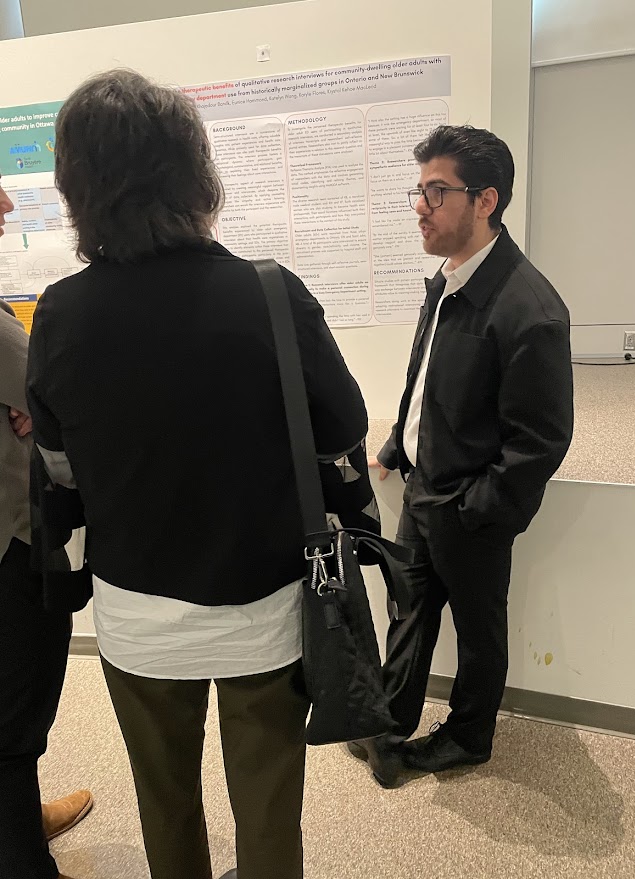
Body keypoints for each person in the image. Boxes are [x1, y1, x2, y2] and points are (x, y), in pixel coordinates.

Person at [26, 70, 368, 879]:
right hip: (265, 605)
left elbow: (60, 466)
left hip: (136, 611)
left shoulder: (61, 312)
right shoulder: (271, 294)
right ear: (195, 170)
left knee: (165, 801)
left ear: (76, 186)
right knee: (268, 810)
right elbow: (343, 428)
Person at [349, 125, 574, 787]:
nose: (420, 207)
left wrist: (479, 507)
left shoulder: (529, 309)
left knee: (478, 631)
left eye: (436, 192)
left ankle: (469, 737)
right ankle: (389, 723)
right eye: (419, 191)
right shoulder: (450, 277)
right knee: (409, 609)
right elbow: (424, 376)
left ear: (485, 200)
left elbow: (540, 440)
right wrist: (398, 443)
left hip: (469, 504)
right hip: (426, 484)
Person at [0, 183, 93, 879]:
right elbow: (67, 410)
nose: (7, 207)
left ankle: (19, 821)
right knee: (15, 718)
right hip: (10, 554)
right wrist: (49, 411)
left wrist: (40, 405)